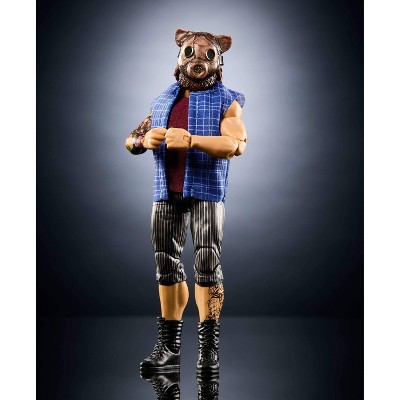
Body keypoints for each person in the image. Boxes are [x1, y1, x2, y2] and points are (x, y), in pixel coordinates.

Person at [125, 29, 247, 373]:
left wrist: (193, 140)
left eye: (208, 54)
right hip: (166, 192)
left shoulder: (228, 100)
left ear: (218, 62)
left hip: (206, 192)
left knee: (207, 266)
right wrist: (144, 141)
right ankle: (168, 349)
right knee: (166, 266)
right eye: (190, 52)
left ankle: (208, 351)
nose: (197, 60)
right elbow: (131, 139)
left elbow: (236, 145)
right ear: (179, 57)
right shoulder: (162, 100)